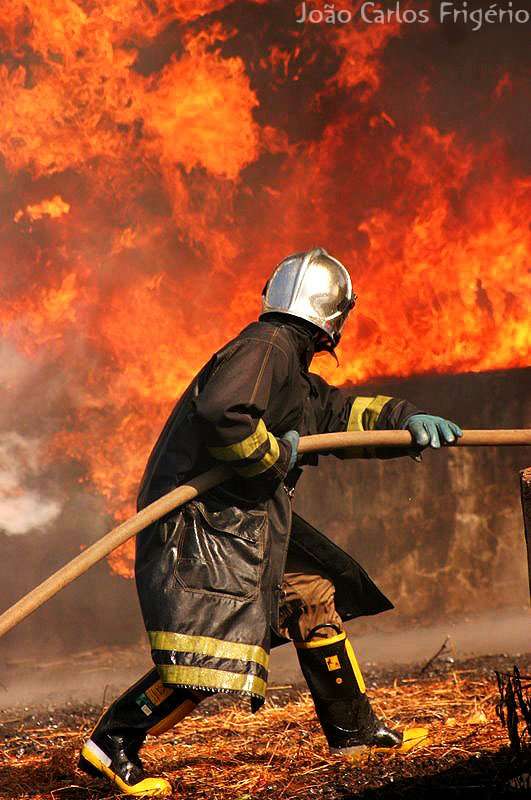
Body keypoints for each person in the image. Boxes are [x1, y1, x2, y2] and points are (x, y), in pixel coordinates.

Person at [78, 248, 462, 796]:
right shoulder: (268, 346)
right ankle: (115, 740)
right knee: (212, 647)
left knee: (310, 595)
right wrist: (276, 457)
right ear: (334, 317)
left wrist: (406, 421)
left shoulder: (287, 365)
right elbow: (224, 414)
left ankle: (355, 732)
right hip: (204, 525)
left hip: (241, 521)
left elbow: (337, 416)